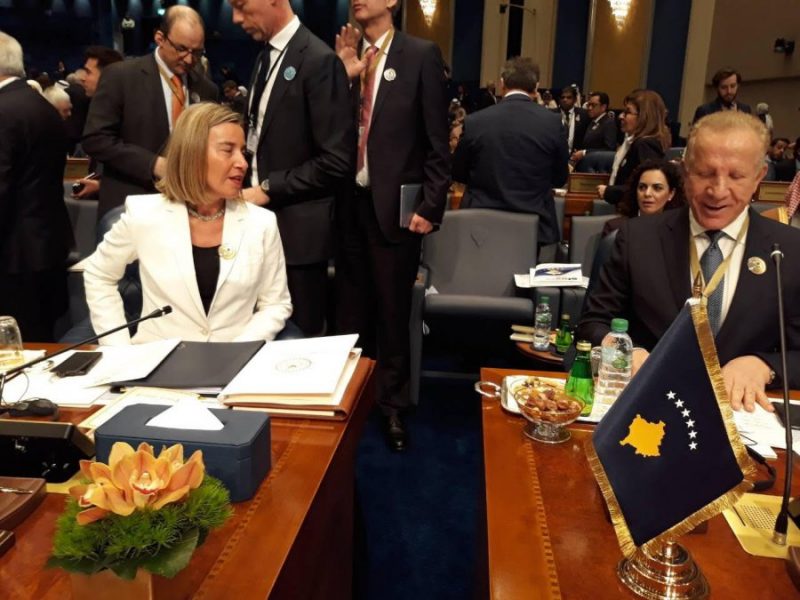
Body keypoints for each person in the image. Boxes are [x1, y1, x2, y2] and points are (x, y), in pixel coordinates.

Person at [578, 111, 800, 412]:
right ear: (684, 172)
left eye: (736, 176)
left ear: (759, 177)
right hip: (650, 407)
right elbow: (592, 324)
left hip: (741, 415)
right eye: (705, 173)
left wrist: (765, 365)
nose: (717, 191)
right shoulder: (638, 238)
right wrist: (624, 353)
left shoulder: (789, 250)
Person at [334, 0, 450, 451]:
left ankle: (392, 406)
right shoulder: (345, 58)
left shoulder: (418, 54)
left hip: (396, 211)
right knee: (348, 312)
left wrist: (431, 205)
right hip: (349, 205)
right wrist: (342, 76)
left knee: (392, 313)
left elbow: (437, 140)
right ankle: (350, 396)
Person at [83, 103, 292, 345]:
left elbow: (276, 304)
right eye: (228, 150)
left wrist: (241, 348)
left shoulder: (261, 222)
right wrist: (118, 348)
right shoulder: (144, 214)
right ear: (192, 154)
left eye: (242, 152)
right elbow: (98, 274)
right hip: (159, 360)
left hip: (236, 360)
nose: (242, 163)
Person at [229, 0, 354, 338]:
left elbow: (336, 161)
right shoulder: (264, 57)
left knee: (299, 342)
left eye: (241, 5)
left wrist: (267, 189)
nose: (235, 18)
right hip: (254, 224)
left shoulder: (319, 60)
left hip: (298, 237)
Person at [82, 6, 218, 221]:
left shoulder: (206, 89)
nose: (189, 59)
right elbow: (96, 139)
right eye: (181, 49)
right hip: (130, 206)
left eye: (197, 52)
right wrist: (154, 165)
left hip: (186, 209)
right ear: (160, 38)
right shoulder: (121, 77)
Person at [0, 31, 74, 341]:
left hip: (12, 256)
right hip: (45, 247)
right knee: (40, 342)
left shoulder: (4, 109)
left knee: (19, 350)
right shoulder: (40, 103)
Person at [452, 57, 568, 245]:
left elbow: (458, 171)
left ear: (502, 83)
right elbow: (559, 178)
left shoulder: (476, 121)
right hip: (532, 226)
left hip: (480, 225)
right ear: (536, 87)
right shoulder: (553, 123)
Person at [597, 89, 670, 205]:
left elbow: (646, 187)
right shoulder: (633, 141)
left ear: (643, 117)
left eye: (627, 112)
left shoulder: (645, 145)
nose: (621, 116)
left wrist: (609, 192)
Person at [601, 159, 686, 236]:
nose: (647, 194)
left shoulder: (680, 230)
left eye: (657, 188)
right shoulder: (616, 228)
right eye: (642, 187)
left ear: (671, 194)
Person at [570, 91, 617, 163]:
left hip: (598, 165)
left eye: (593, 105)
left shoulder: (608, 123)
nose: (589, 108)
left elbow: (609, 149)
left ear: (603, 107)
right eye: (589, 104)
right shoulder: (592, 121)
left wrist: (584, 153)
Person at [556, 85, 588, 154]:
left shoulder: (584, 114)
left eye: (569, 97)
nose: (565, 100)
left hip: (576, 155)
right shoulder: (551, 113)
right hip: (555, 155)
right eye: (562, 97)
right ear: (559, 99)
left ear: (575, 99)